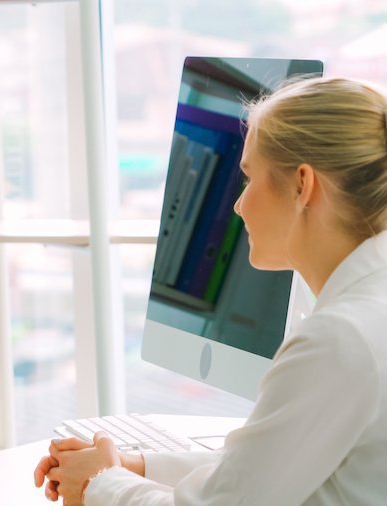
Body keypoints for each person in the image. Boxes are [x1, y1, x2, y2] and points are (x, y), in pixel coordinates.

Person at [34, 76, 387, 505]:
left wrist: (100, 483)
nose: (239, 204)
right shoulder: (366, 310)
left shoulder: (338, 339)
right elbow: (259, 469)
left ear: (302, 185)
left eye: (248, 177)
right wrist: (131, 467)